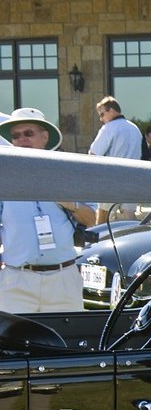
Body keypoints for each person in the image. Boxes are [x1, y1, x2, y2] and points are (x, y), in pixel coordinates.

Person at [0, 108, 96, 313]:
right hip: (16, 280)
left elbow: (91, 219)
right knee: (13, 335)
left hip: (63, 279)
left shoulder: (67, 173)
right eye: (16, 136)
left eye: (28, 133)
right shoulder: (4, 178)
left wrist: (70, 204)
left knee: (67, 334)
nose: (21, 139)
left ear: (45, 137)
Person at [91, 96, 143, 222]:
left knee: (103, 219)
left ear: (111, 111)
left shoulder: (109, 128)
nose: (101, 119)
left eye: (102, 114)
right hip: (132, 179)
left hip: (111, 179)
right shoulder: (135, 129)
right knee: (129, 219)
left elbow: (93, 154)